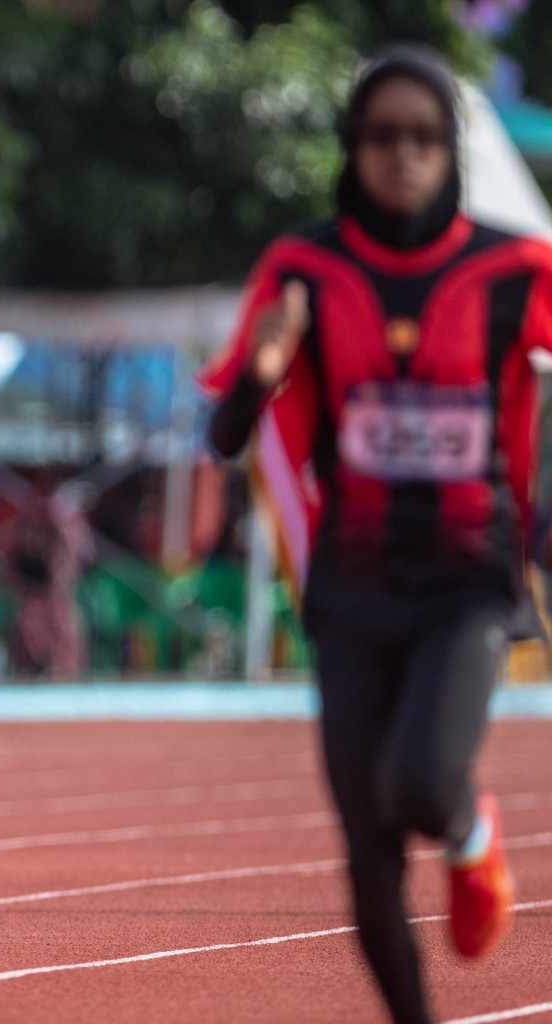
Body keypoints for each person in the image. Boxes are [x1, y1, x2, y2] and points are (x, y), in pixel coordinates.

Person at [201, 47, 548, 1024]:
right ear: (354, 148)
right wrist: (264, 367)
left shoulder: (515, 268)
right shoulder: (304, 267)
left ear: (452, 152)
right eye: (385, 135)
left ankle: (472, 833)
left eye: (426, 137)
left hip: (468, 578)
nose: (405, 154)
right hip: (350, 584)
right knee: (368, 857)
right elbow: (225, 434)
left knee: (424, 781)